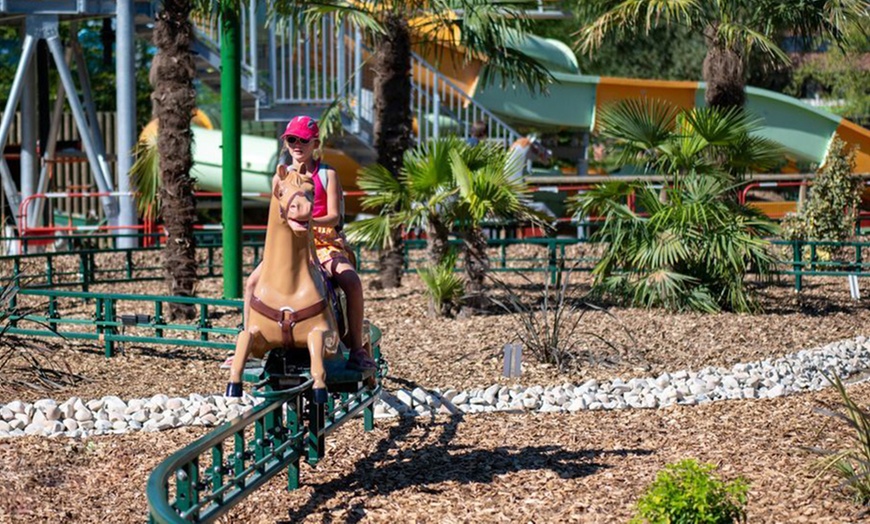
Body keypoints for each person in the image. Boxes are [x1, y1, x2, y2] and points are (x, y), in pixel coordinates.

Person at [226, 115, 375, 372]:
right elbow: (276, 217)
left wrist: (308, 223)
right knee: (252, 283)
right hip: (289, 245)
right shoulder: (280, 178)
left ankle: (356, 347)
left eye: (303, 140)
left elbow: (334, 215)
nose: (297, 145)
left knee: (350, 280)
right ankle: (250, 339)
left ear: (314, 143)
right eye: (292, 140)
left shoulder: (327, 174)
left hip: (322, 240)